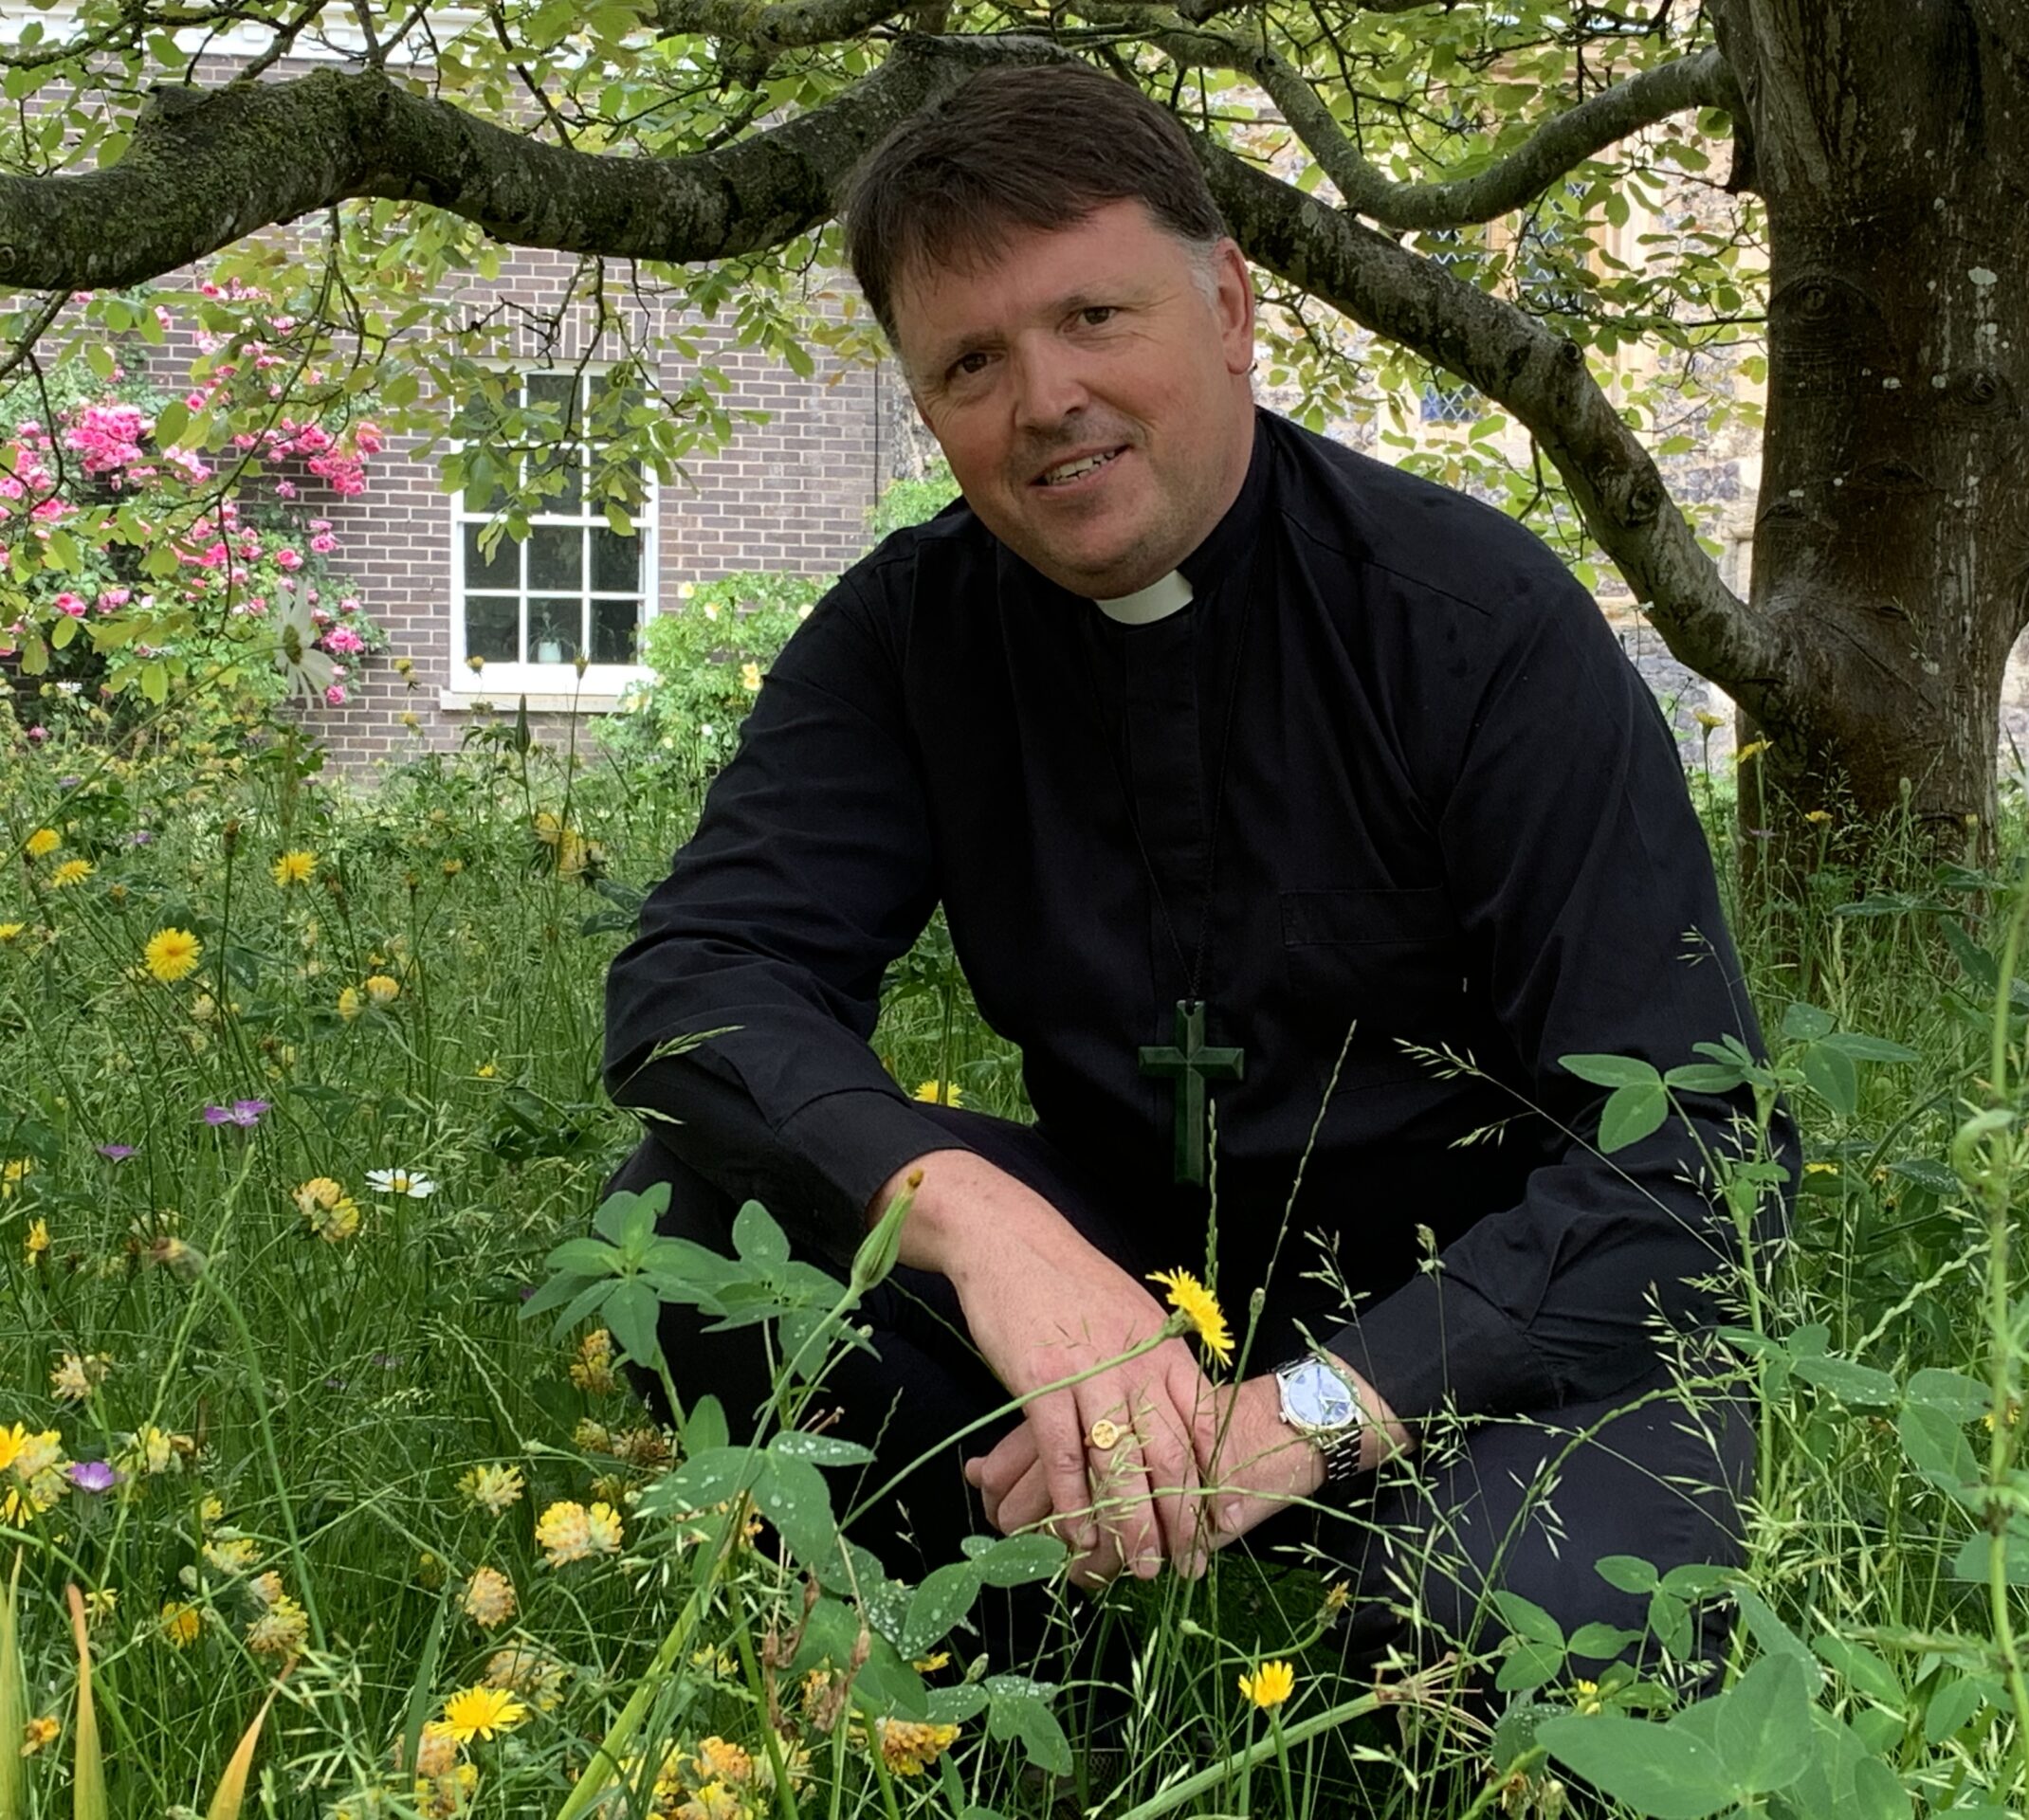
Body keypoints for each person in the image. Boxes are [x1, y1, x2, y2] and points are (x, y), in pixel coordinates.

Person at [598, 63, 1793, 1687]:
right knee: (686, 1212)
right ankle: (996, 1701)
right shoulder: (908, 637)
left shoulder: (1477, 626)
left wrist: (1304, 1414)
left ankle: (1326, 1603)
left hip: (1486, 1352)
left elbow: (1698, 1154)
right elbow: (699, 991)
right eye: (969, 362)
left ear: (1231, 306)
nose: (1043, 402)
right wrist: (987, 1233)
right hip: (1113, 1303)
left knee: (1493, 1647)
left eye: (1095, 317)